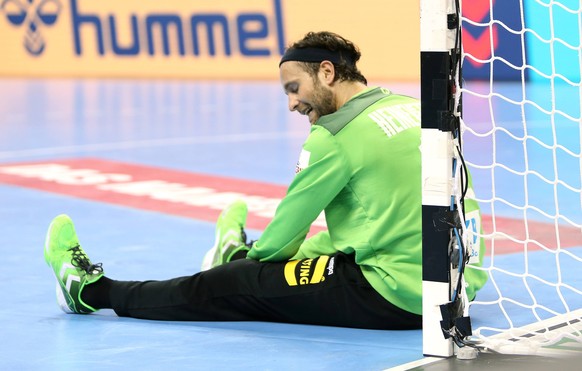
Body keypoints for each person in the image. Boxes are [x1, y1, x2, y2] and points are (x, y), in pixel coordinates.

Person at [44, 31, 488, 329]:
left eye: (293, 88)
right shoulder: (412, 107)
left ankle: (88, 291)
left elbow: (279, 242)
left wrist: (250, 261)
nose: (292, 103)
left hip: (393, 296)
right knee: (324, 244)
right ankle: (232, 250)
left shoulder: (333, 135)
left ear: (326, 73)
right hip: (456, 289)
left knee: (228, 284)